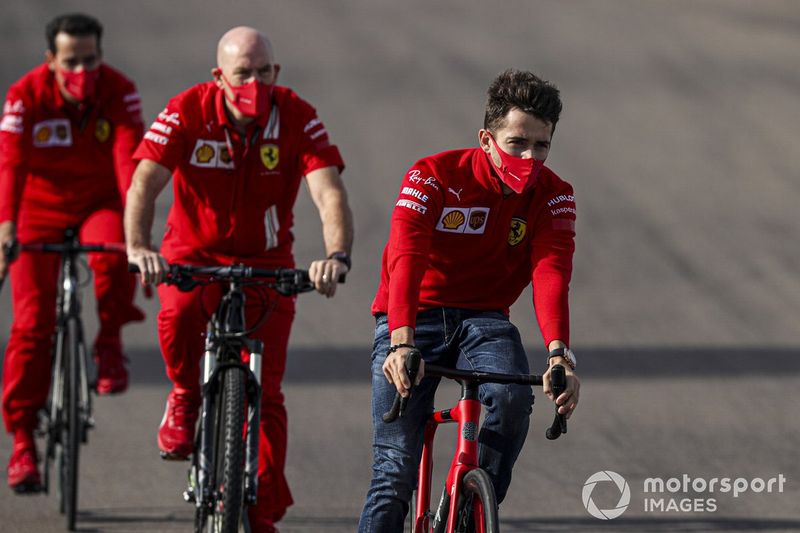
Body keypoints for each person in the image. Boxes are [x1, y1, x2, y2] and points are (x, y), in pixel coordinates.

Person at [125, 26, 353, 532]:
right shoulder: (187, 108)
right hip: (192, 253)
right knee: (179, 313)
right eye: (242, 73)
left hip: (268, 263)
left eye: (263, 72)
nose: (254, 82)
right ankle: (184, 396)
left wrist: (336, 255)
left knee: (267, 395)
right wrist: (139, 247)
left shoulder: (295, 114)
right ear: (218, 77)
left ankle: (262, 510)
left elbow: (328, 192)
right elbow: (145, 179)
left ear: (277, 73)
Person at [358, 69, 582, 531]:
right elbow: (407, 257)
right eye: (517, 143)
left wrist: (560, 354)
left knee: (514, 400)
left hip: (484, 320)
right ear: (486, 138)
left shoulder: (556, 194)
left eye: (542, 146)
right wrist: (401, 342)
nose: (530, 157)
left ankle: (469, 510)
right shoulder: (432, 175)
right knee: (394, 472)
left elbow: (551, 272)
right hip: (413, 318)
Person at [0, 13, 145, 493]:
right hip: (36, 212)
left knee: (115, 253)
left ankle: (108, 346)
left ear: (101, 56)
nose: (82, 71)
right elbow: (11, 163)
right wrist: (5, 229)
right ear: (50, 61)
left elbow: (130, 163)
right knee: (30, 324)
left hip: (97, 204)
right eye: (70, 62)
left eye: (91, 60)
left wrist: (137, 231)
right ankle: (23, 440)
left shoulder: (119, 90)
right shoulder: (24, 95)